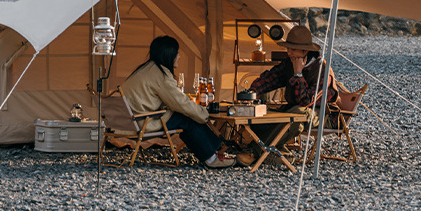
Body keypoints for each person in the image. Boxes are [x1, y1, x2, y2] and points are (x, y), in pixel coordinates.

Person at [122, 35, 235, 169]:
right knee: (187, 117)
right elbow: (181, 103)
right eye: (177, 53)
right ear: (169, 55)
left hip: (127, 122)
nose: (179, 57)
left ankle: (214, 152)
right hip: (142, 122)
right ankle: (212, 157)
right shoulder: (160, 75)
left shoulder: (145, 69)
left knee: (185, 117)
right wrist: (204, 115)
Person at [236, 25, 339, 166]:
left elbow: (306, 101)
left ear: (305, 51)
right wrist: (251, 93)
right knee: (261, 112)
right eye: (288, 48)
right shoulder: (289, 63)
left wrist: (298, 74)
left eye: (293, 49)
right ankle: (277, 152)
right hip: (294, 109)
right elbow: (271, 78)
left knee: (297, 115)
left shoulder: (322, 70)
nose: (289, 52)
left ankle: (254, 152)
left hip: (321, 114)